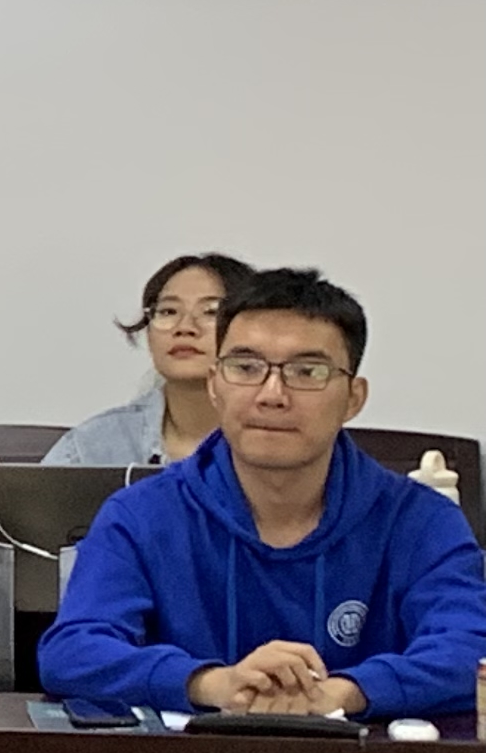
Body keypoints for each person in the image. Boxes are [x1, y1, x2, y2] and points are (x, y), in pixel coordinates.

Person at [38, 266, 486, 721]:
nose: (272, 394)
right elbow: (72, 650)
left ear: (353, 398)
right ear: (214, 384)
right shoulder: (142, 514)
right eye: (246, 368)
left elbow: (471, 647)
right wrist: (213, 684)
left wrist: (344, 692)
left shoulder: (420, 519)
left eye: (307, 371)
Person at [45, 253, 250, 468]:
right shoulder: (92, 447)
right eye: (168, 311)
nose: (184, 327)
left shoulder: (272, 438)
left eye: (211, 312)